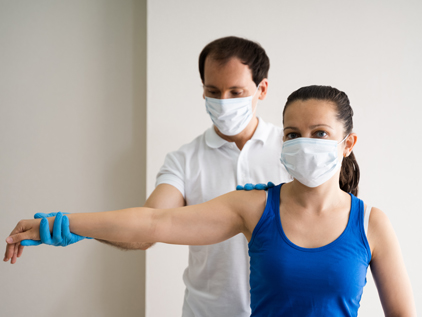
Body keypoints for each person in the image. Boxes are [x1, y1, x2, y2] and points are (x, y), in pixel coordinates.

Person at [5, 85, 416, 316]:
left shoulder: (371, 224)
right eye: (292, 134)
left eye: (320, 133)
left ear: (348, 144)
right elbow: (154, 224)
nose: (303, 143)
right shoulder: (252, 207)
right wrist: (63, 223)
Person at [3, 36, 292, 317]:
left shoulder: (292, 151)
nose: (224, 101)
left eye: (236, 92)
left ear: (262, 89)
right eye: (213, 91)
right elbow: (148, 225)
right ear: (202, 90)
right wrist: (74, 226)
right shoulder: (184, 160)